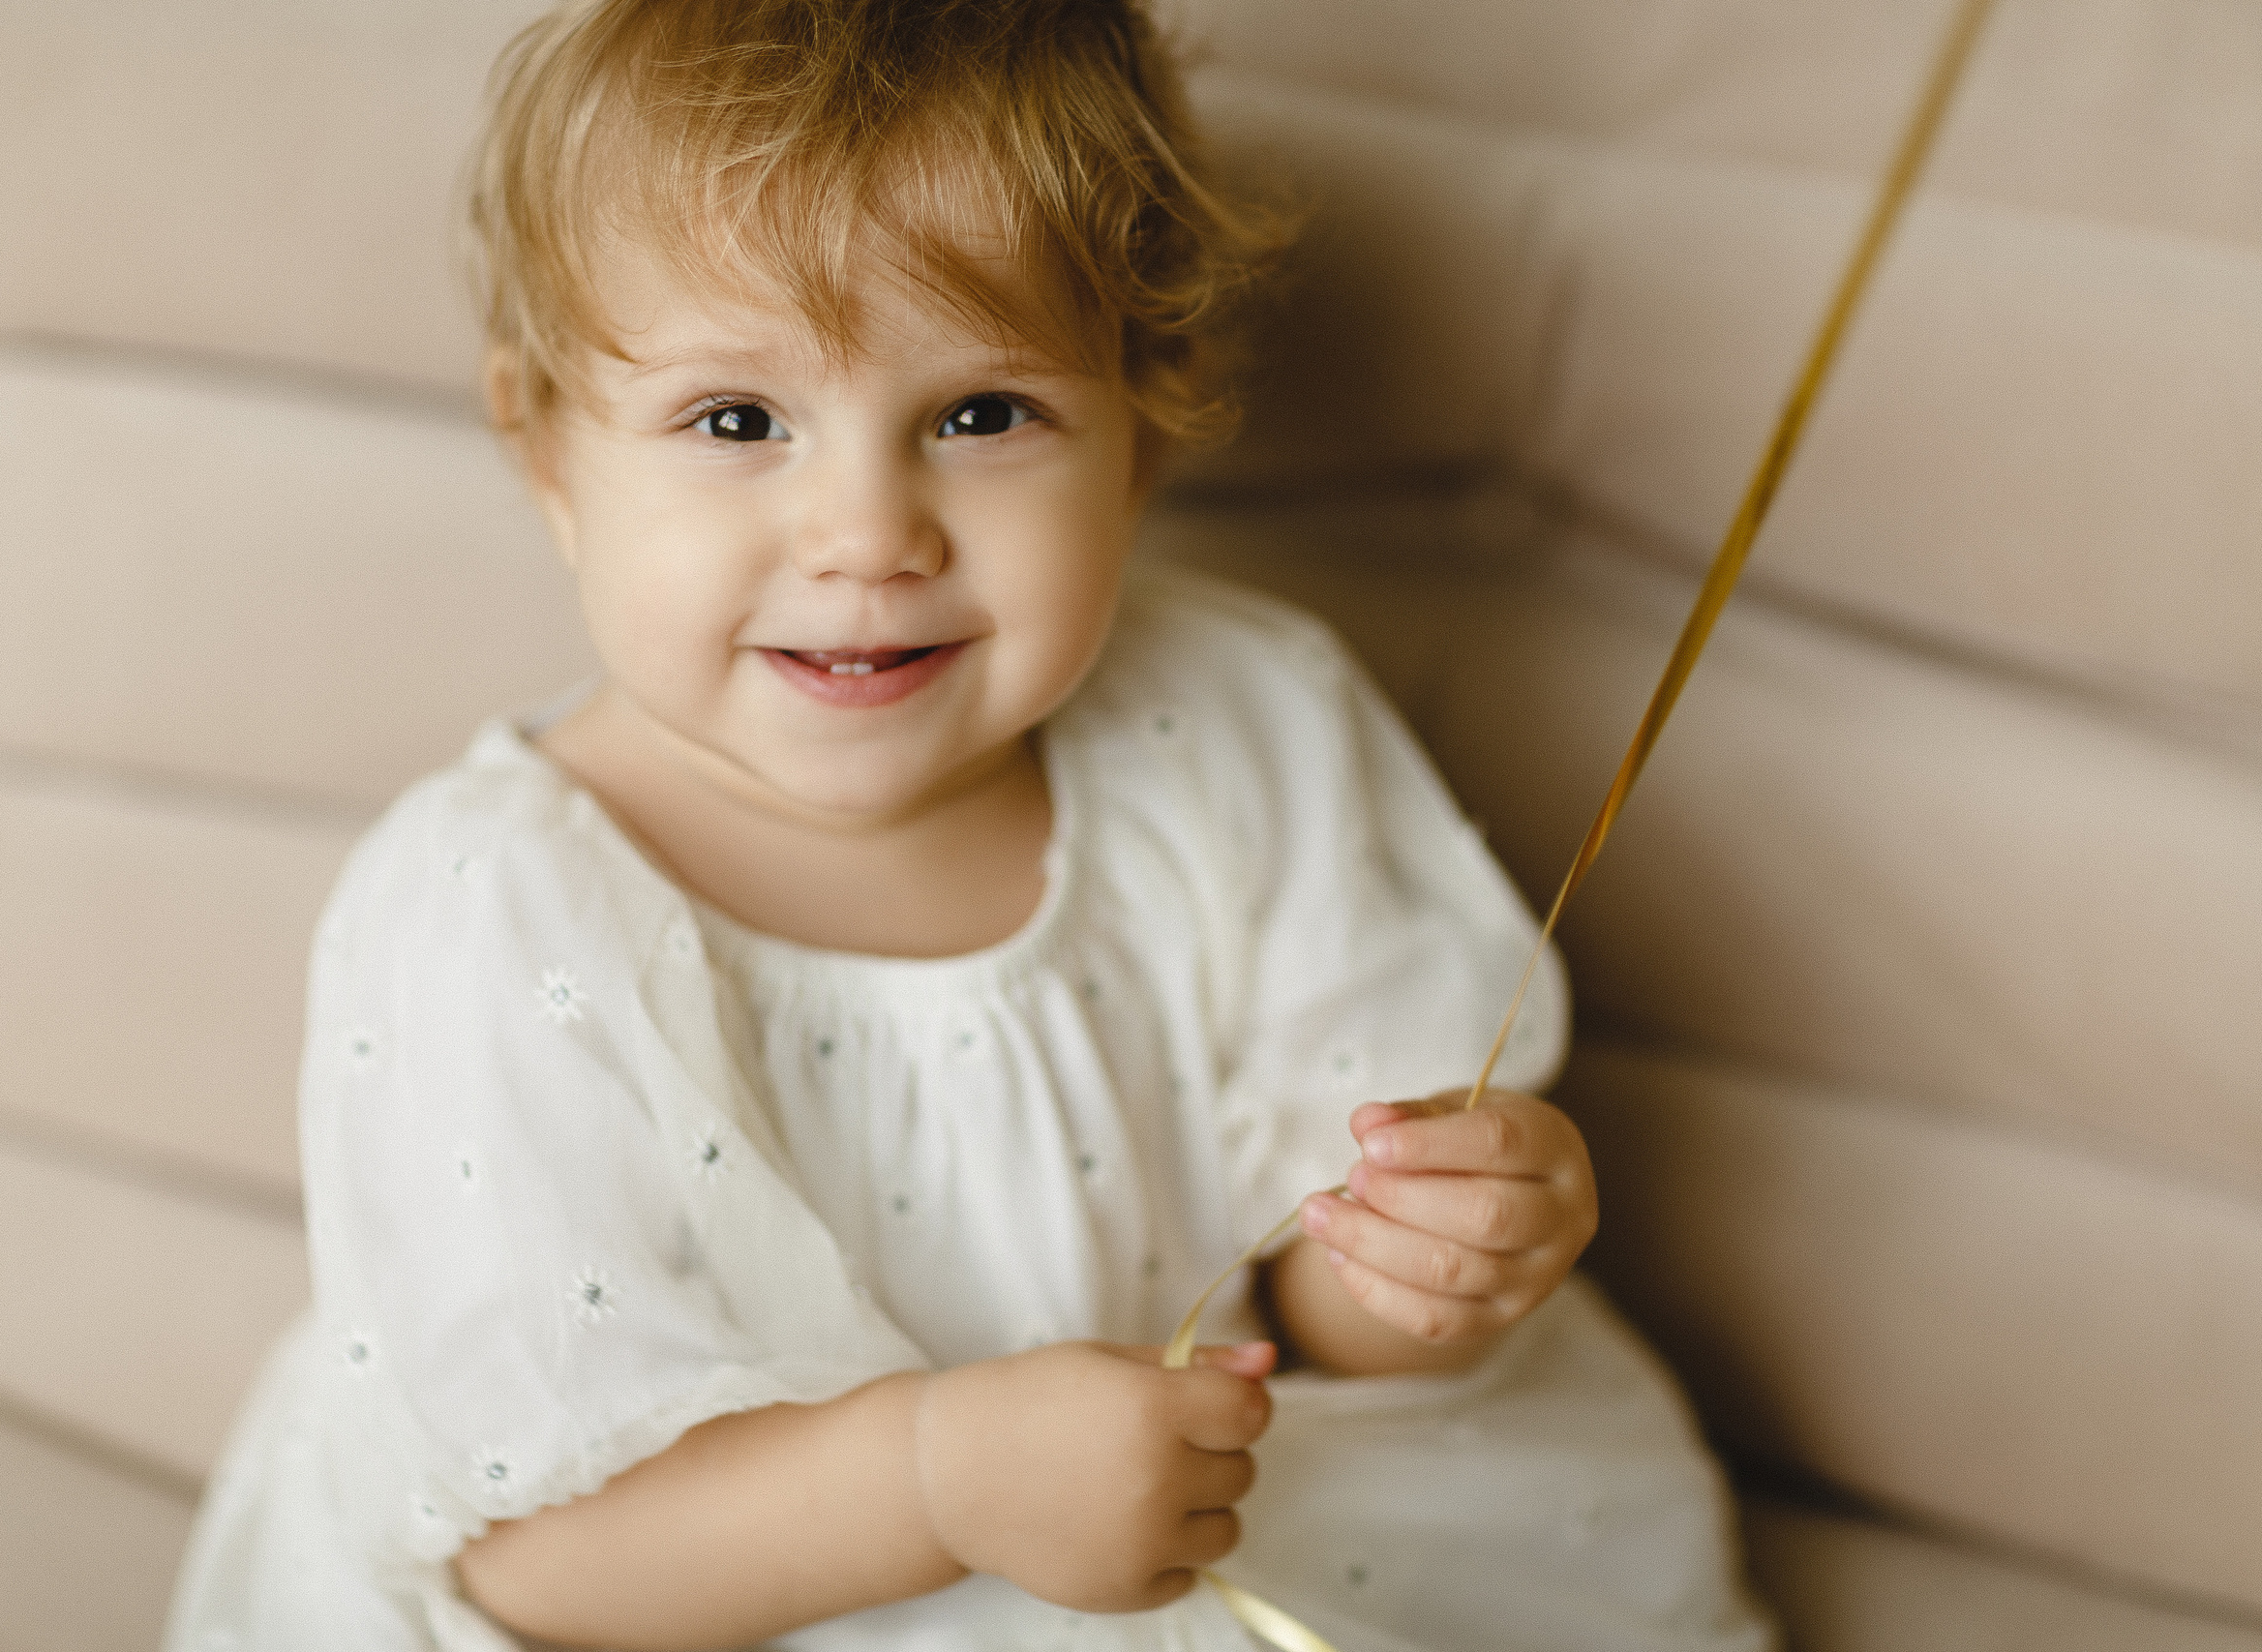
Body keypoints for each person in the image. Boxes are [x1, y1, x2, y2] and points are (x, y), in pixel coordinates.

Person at [166, 2, 1773, 1647]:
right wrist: (938, 1483)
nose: (866, 533)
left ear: (1141, 431)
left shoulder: (1238, 728)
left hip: (1223, 1514)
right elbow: (538, 1560)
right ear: (547, 448)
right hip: (720, 1593)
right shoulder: (494, 914)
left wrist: (1432, 1275)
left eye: (982, 413)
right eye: (738, 422)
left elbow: (1300, 1302)